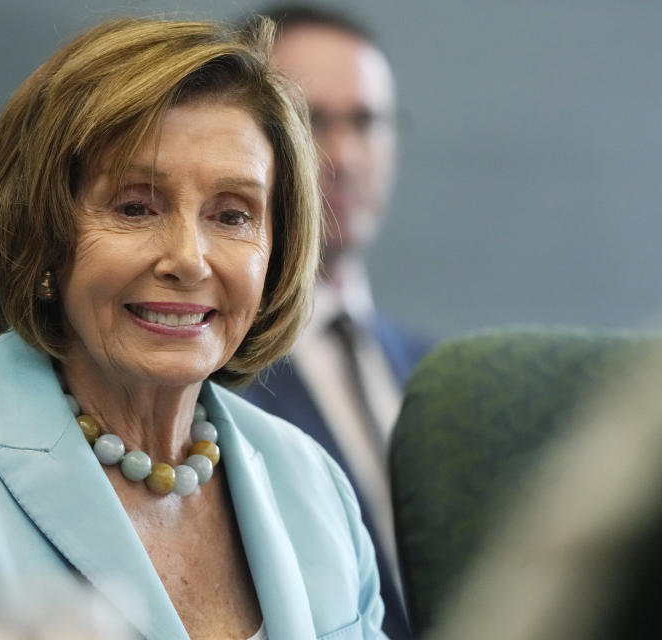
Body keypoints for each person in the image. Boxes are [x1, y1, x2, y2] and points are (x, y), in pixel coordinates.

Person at [0, 16, 388, 640]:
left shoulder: (315, 484)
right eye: (136, 207)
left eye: (232, 215)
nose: (189, 259)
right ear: (46, 238)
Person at [238, 6, 433, 638]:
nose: (344, 154)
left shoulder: (443, 376)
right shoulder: (198, 374)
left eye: (367, 122)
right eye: (311, 121)